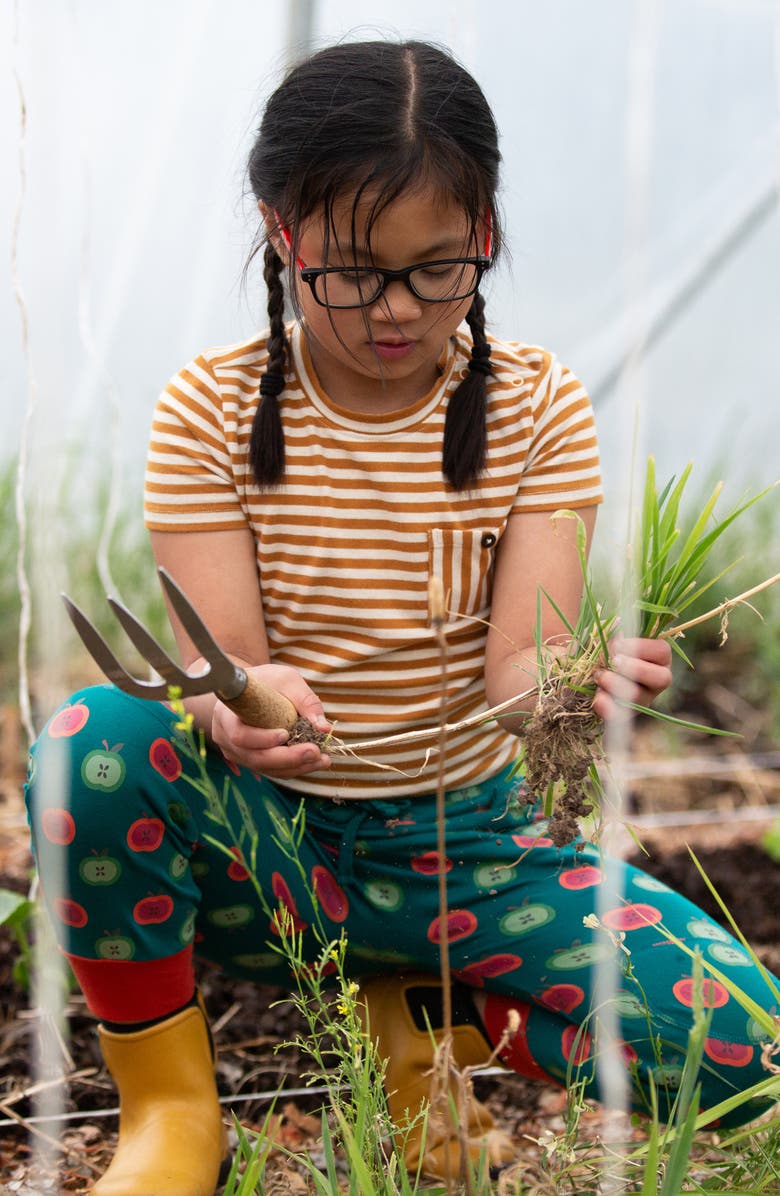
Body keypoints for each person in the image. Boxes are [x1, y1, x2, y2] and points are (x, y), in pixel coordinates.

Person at [26, 39, 776, 1195]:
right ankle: (172, 1111)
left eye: (437, 268)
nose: (394, 309)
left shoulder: (535, 406)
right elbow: (219, 667)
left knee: (755, 1057)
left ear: (483, 233)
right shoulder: (213, 409)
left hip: (477, 848)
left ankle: (455, 1015)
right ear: (284, 234)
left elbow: (518, 671)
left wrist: (572, 684)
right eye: (351, 269)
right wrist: (245, 708)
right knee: (94, 745)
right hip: (277, 860)